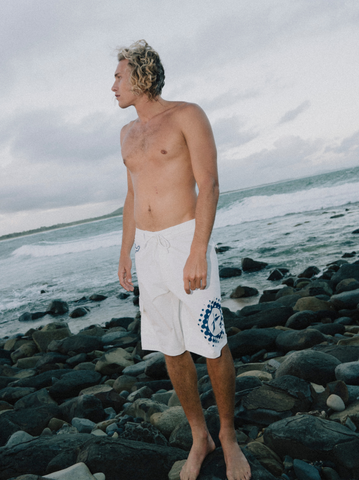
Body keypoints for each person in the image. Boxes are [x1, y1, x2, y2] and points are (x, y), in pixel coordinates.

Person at [113, 40, 251, 480]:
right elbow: (133, 194)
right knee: (170, 347)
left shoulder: (188, 115)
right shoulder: (127, 134)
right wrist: (125, 253)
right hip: (148, 250)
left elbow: (208, 184)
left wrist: (197, 249)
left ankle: (227, 435)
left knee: (211, 340)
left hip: (185, 240)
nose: (112, 85)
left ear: (140, 77)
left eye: (118, 77)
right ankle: (200, 435)